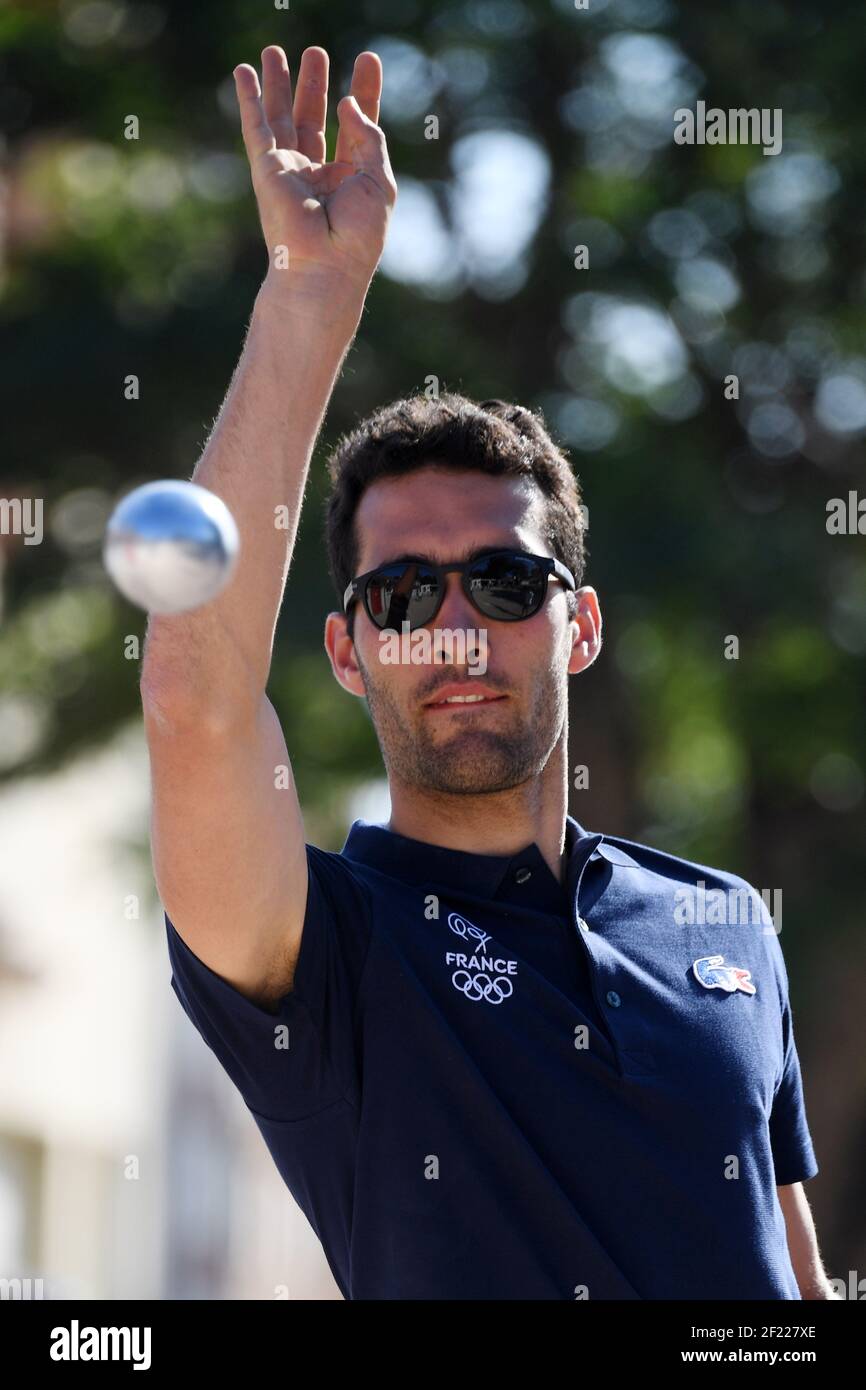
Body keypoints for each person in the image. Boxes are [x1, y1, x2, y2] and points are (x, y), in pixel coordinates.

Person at [141, 44, 836, 1300]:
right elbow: (195, 700)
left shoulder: (726, 922)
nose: (456, 627)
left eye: (505, 583)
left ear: (577, 626)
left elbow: (788, 1267)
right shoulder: (324, 951)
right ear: (348, 649)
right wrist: (309, 293)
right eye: (404, 593)